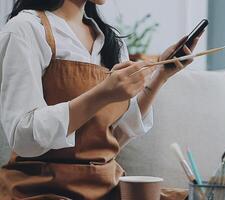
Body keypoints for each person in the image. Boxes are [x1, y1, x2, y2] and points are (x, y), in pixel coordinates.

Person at [0, 0, 201, 199]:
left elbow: (117, 136)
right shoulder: (25, 29)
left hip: (105, 186)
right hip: (41, 187)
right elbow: (23, 138)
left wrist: (161, 75)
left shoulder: (111, 42)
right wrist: (103, 93)